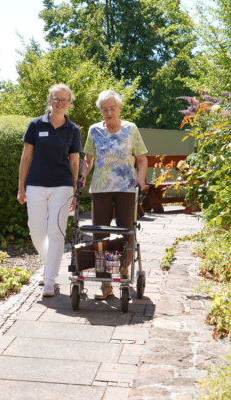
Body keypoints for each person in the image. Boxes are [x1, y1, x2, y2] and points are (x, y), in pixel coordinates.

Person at [81, 90, 148, 300]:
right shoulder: (94, 130)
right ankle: (105, 283)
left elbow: (142, 158)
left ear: (119, 108)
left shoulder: (131, 129)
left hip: (127, 188)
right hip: (101, 188)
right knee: (100, 236)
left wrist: (141, 178)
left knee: (125, 233)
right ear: (100, 110)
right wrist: (82, 177)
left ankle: (124, 272)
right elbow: (88, 160)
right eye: (104, 109)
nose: (108, 112)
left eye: (112, 108)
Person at [18, 83, 82, 297]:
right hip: (36, 184)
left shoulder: (73, 130)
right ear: (50, 100)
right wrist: (21, 187)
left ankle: (49, 280)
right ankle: (49, 266)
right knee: (36, 231)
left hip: (62, 186)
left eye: (65, 99)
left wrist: (74, 189)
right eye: (57, 98)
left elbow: (74, 163)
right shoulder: (35, 125)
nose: (61, 102)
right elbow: (26, 157)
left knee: (56, 231)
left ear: (69, 103)